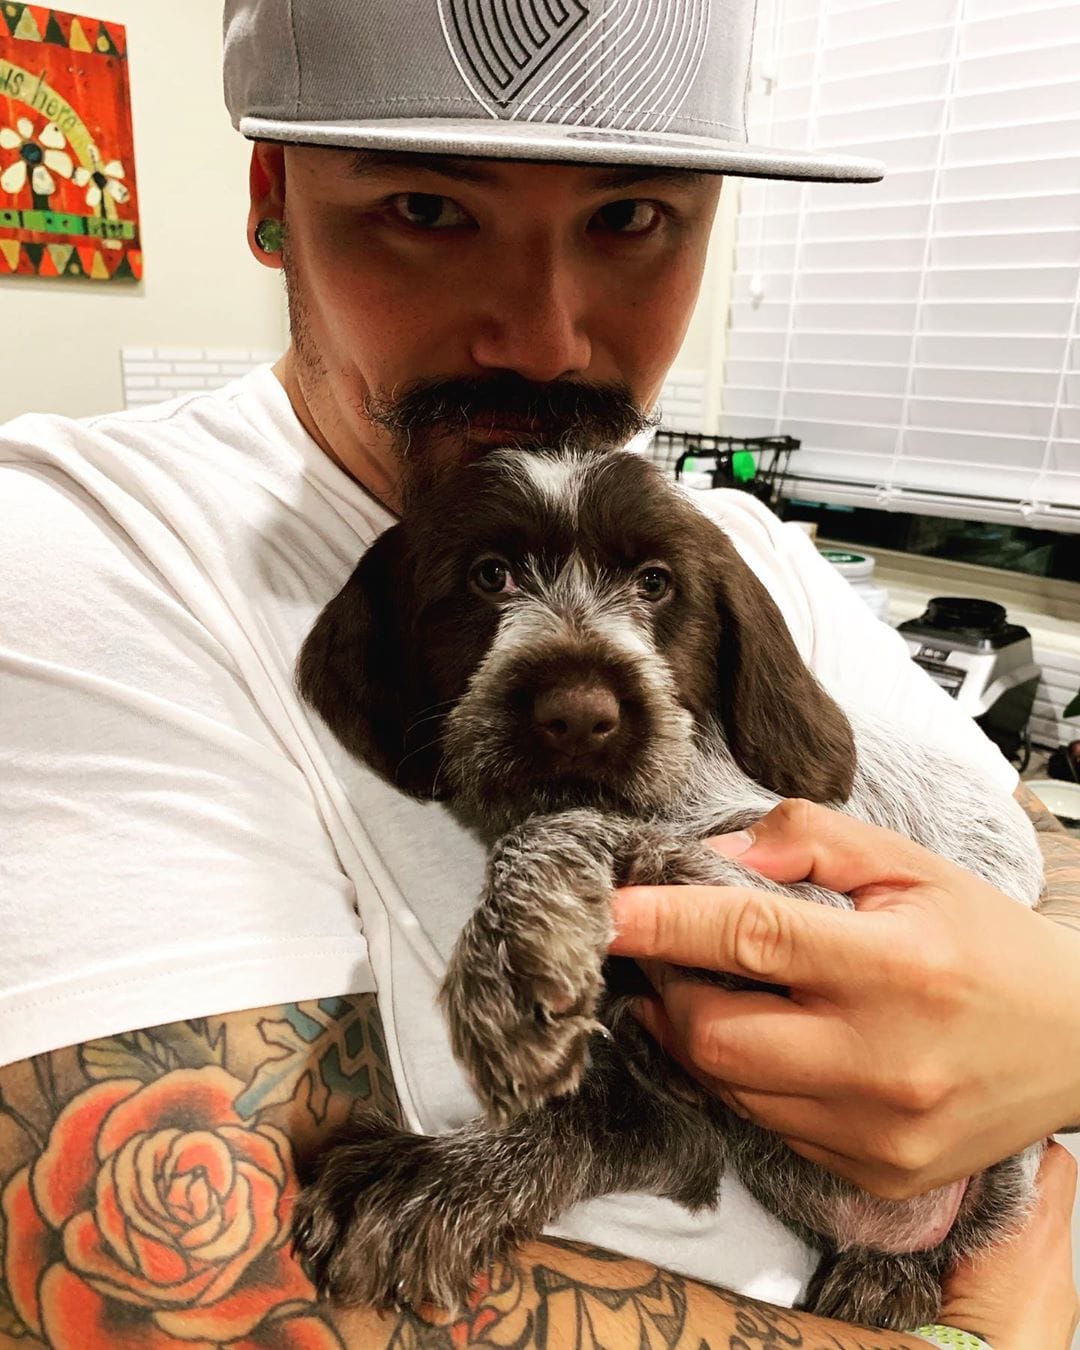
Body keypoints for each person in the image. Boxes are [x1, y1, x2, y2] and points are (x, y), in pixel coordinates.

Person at [0, 0, 1078, 1345]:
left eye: (630, 217)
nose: (544, 336)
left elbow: (1009, 835)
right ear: (272, 196)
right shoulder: (76, 546)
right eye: (429, 210)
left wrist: (1063, 1021)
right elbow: (174, 1299)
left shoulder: (727, 542)